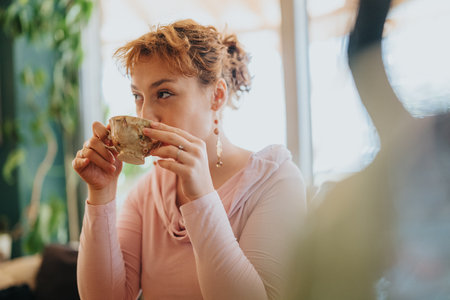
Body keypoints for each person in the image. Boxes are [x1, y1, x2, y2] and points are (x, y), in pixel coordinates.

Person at [72, 19, 306, 300]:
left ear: (216, 97)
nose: (145, 115)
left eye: (164, 93)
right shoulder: (149, 192)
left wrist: (202, 198)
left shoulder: (276, 182)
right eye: (138, 96)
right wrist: (102, 194)